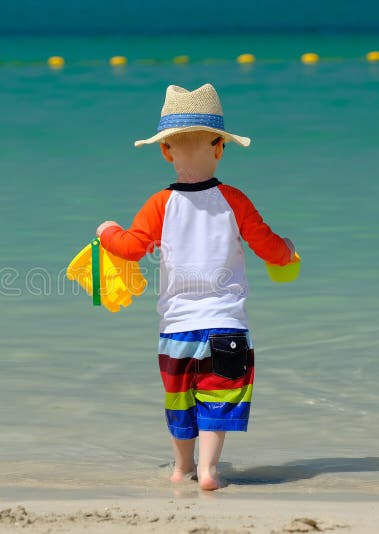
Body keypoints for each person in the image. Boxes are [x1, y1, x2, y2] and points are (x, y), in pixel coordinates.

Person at [96, 83, 296, 491]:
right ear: (220, 148)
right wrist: (287, 251)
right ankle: (208, 471)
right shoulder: (234, 200)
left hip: (177, 331)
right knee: (217, 402)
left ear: (165, 151)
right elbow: (268, 247)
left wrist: (107, 231)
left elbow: (131, 248)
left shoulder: (160, 204)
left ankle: (180, 468)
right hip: (226, 326)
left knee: (180, 402)